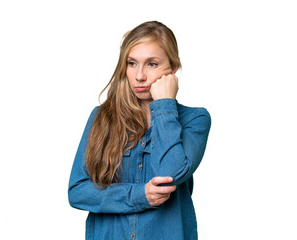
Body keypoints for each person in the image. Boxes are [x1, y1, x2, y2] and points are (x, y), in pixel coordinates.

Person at [68, 21, 211, 240]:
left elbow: (170, 175)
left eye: (152, 64)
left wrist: (164, 104)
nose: (140, 76)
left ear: (172, 68)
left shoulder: (194, 120)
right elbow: (78, 192)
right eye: (132, 63)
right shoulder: (102, 117)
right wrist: (139, 195)